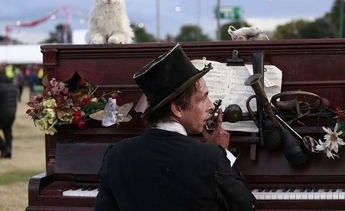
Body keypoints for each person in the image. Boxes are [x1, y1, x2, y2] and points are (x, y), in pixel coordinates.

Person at [95, 44, 256, 211]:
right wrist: (223, 154)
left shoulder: (116, 155)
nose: (210, 105)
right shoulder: (212, 158)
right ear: (177, 108)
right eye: (202, 99)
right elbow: (246, 205)